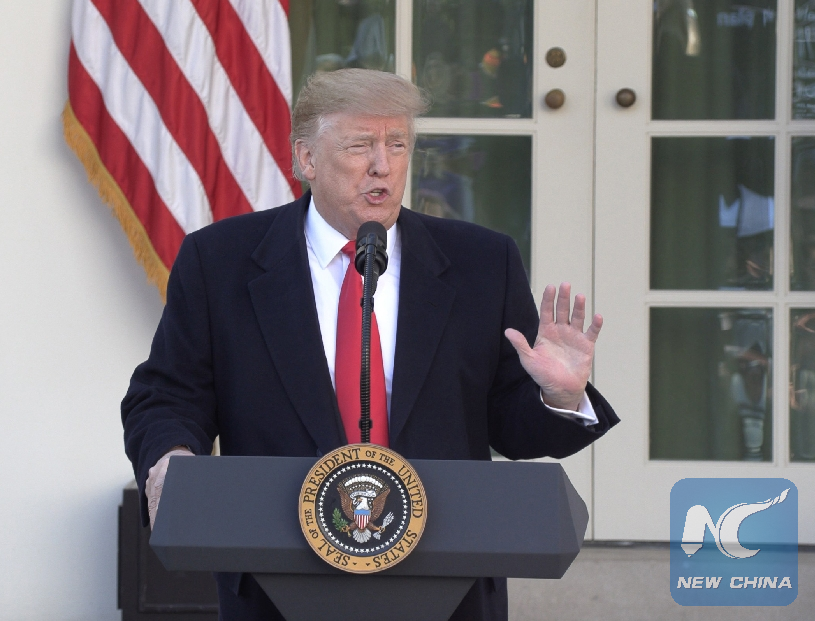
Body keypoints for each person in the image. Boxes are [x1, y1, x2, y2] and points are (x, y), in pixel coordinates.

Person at [122, 68, 619, 621]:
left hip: (447, 582)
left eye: (398, 145)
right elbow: (167, 395)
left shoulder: (482, 262)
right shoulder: (220, 261)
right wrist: (170, 460)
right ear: (306, 158)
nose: (383, 165)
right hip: (275, 581)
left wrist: (559, 397)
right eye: (360, 146)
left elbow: (512, 426)